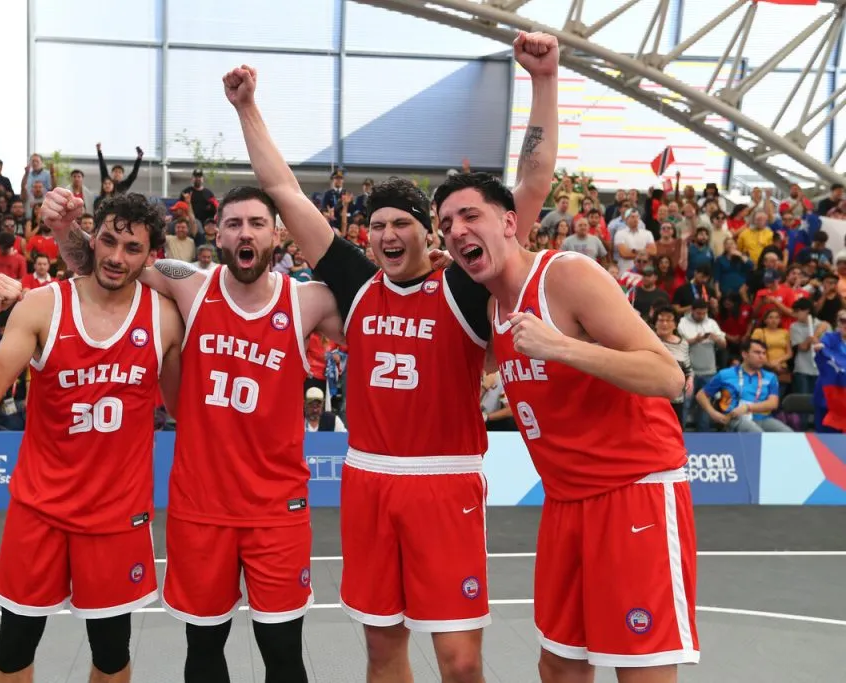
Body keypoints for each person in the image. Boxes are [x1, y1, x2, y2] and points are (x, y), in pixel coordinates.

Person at [223, 34, 558, 683]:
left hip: (445, 482)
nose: (386, 234)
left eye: (400, 223)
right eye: (376, 225)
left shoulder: (461, 282)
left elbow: (530, 190)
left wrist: (543, 79)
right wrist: (247, 107)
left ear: (428, 233)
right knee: (381, 650)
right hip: (369, 480)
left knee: (460, 660)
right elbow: (284, 192)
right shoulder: (356, 281)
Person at [46, 182, 342, 683]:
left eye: (255, 223)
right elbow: (111, 264)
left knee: (283, 652)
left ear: (278, 233)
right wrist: (62, 228)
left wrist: (427, 266)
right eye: (233, 224)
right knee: (203, 649)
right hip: (201, 509)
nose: (244, 232)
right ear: (217, 235)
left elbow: (383, 318)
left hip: (277, 511)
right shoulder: (190, 283)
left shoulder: (308, 301)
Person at [434, 178, 698, 678]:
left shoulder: (567, 275)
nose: (457, 229)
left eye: (470, 215)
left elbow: (669, 376)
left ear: (510, 222)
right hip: (564, 503)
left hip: (632, 490)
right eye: (446, 224)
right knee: (558, 666)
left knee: (639, 667)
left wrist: (561, 347)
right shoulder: (493, 310)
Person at [0, 193, 184, 683]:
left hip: (116, 517)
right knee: (14, 649)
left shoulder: (164, 317)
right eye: (107, 239)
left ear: (150, 257)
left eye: (131, 248)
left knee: (111, 654)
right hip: (40, 510)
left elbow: (185, 409)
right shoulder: (44, 305)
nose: (115, 257)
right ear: (91, 235)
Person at [695, 339, 793, 433]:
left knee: (790, 435)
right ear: (745, 354)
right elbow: (701, 395)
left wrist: (747, 408)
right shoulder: (725, 374)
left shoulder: (770, 377)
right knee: (757, 434)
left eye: (764, 353)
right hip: (734, 418)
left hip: (763, 419)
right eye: (757, 353)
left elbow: (773, 403)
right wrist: (713, 414)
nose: (762, 356)